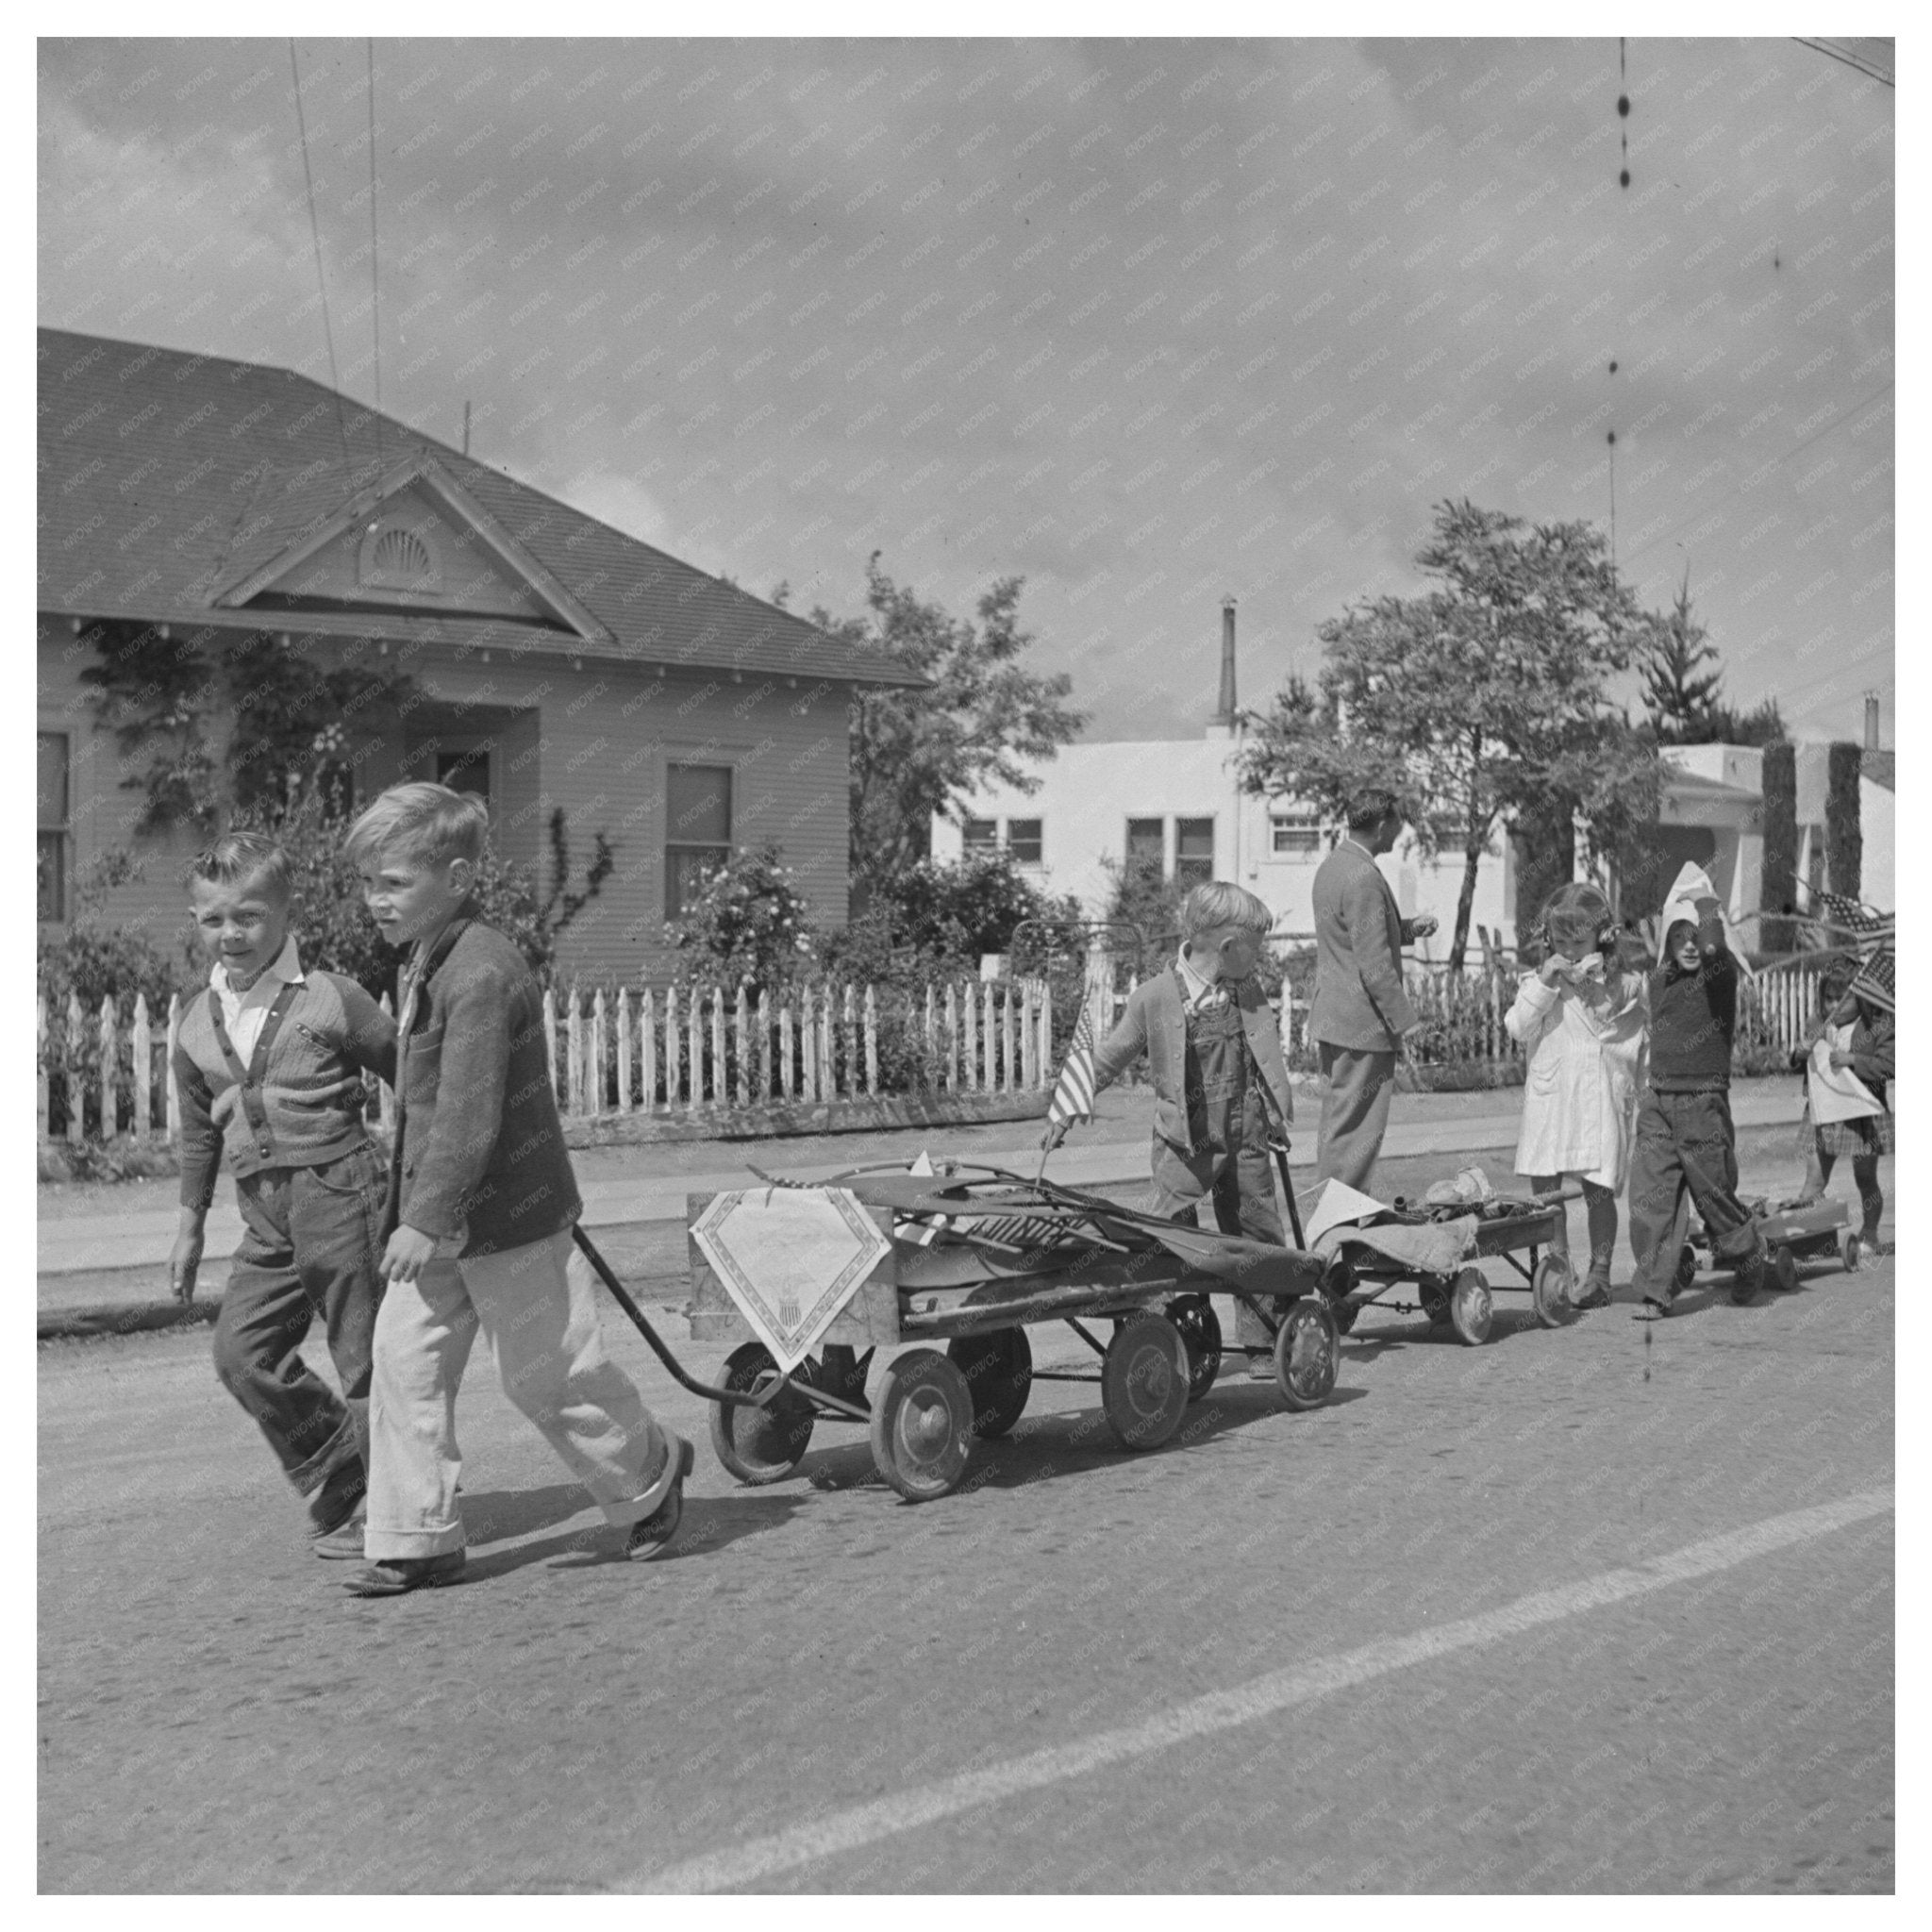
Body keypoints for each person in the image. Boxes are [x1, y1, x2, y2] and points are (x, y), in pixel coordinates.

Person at [341, 783, 691, 1596]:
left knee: (547, 1376)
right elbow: (430, 1092)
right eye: (368, 883)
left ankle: (649, 1470)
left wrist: (424, 1217)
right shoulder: (429, 958)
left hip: (509, 1218)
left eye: (392, 882)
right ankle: (415, 1535)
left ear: (457, 878)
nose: (374, 901)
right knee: (404, 1365)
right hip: (435, 1223)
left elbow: (470, 1111)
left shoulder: (484, 971)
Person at [169, 832, 396, 1557]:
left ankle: (395, 1508)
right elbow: (200, 1131)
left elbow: (414, 1076)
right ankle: (340, 1464)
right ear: (197, 920)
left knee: (363, 1358)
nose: (230, 934)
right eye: (213, 919)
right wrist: (189, 1226)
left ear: (286, 912)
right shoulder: (193, 1020)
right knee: (243, 1353)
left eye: (249, 916)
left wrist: (429, 1181)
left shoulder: (331, 997)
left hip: (342, 1193)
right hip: (264, 1217)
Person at [1045, 881, 1295, 1377]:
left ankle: (1267, 1340)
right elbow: (1110, 1057)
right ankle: (1185, 1341)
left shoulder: (1246, 990)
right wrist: (1065, 1108)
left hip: (1244, 1135)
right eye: (1256, 950)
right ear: (1227, 948)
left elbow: (1261, 1057)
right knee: (1173, 1239)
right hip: (1185, 1141)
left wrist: (1273, 1112)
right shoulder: (1154, 999)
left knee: (1257, 1233)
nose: (1261, 960)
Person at [1626, 862, 1766, 1319]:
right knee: (1651, 1197)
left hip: (1701, 1103)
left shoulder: (1718, 975)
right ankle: (1655, 1289)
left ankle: (1746, 1251)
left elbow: (1711, 943)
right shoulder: (1660, 977)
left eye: (1695, 935)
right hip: (1658, 1101)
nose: (1689, 943)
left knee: (1714, 1195)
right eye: (1678, 934)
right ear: (1667, 938)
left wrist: (1703, 900)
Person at [1504, 882, 1648, 1311]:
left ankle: (1600, 1273)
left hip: (1601, 1097)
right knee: (1547, 1188)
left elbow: (1636, 1038)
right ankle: (1558, 1265)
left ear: (1603, 940)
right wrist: (1546, 983)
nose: (1568, 952)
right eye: (1559, 942)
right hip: (1553, 1097)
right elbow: (1517, 1027)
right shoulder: (1538, 982)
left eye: (1578, 942)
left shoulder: (1625, 984)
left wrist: (1602, 989)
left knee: (1598, 1187)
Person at [1307, 788, 1438, 1190]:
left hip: (1336, 1019)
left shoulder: (1335, 864)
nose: (1399, 834)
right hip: (1363, 1026)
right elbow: (1375, 965)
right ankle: (1342, 1224)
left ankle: (1336, 1217)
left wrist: (1408, 929)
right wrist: (1408, 1023)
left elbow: (1356, 937)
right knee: (1357, 1132)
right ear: (1383, 825)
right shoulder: (1363, 877)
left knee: (1340, 1124)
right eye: (1397, 825)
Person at [1791, 962, 1894, 1256]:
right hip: (1824, 1111)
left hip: (1861, 1112)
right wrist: (1800, 1052)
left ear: (1859, 997)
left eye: (1842, 998)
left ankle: (1870, 1232)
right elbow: (1803, 1062)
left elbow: (1889, 1065)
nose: (1834, 1005)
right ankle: (1809, 1234)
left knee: (1865, 1177)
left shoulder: (1876, 1024)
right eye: (1829, 998)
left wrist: (1853, 1060)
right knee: (1814, 1177)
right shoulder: (1818, 1025)